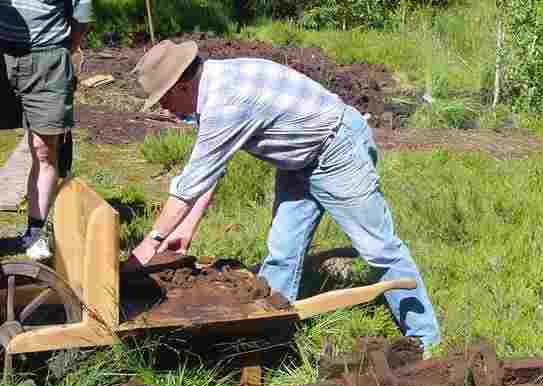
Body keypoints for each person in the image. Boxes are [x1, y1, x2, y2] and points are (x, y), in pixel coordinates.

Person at [127, 40, 441, 355]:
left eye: (164, 100)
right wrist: (186, 227)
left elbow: (187, 187)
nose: (164, 109)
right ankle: (269, 336)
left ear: (181, 86)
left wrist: (149, 245)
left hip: (337, 149)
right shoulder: (213, 83)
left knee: (379, 249)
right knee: (282, 251)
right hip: (299, 158)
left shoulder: (227, 100)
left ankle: (425, 340)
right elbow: (211, 167)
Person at [0, 0, 92, 261]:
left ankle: (35, 233)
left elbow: (81, 12)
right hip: (1, 50)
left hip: (48, 58)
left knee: (44, 149)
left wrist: (69, 46)